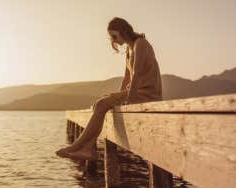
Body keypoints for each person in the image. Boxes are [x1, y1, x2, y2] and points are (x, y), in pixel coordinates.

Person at [55, 17, 163, 160]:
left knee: (101, 104)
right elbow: (127, 79)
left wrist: (128, 101)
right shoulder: (129, 51)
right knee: (101, 102)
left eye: (114, 35)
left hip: (147, 95)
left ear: (123, 31)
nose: (113, 40)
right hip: (136, 92)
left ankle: (76, 147)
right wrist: (115, 97)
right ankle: (87, 148)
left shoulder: (140, 44)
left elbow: (136, 74)